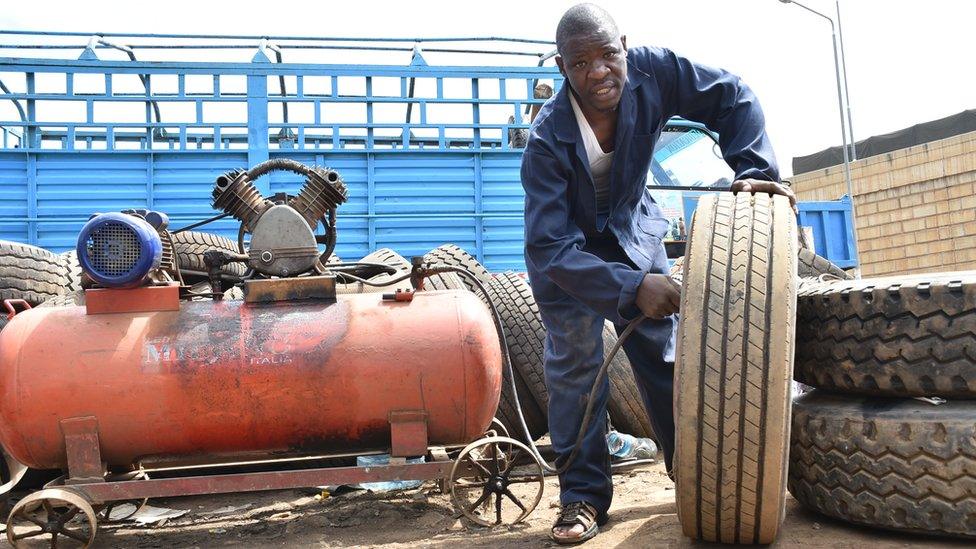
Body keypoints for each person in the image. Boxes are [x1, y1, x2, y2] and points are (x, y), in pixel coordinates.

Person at [520, 4, 795, 544]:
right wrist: (629, 287)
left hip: (631, 230)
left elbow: (731, 95)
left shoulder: (657, 72)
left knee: (666, 358)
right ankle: (582, 499)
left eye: (607, 55)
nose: (598, 71)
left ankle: (694, 474)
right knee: (575, 371)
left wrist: (755, 171)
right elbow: (549, 244)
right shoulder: (546, 140)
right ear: (562, 68)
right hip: (567, 260)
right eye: (580, 63)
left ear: (625, 44)